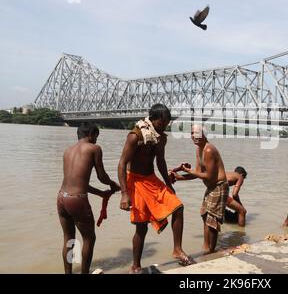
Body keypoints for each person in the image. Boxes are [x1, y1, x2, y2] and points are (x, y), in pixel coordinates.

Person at [117, 104, 194, 273]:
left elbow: (160, 161)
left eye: (166, 123)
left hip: (151, 179)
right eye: (161, 123)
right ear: (152, 119)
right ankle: (136, 266)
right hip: (135, 181)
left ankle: (177, 250)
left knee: (178, 207)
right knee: (141, 225)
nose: (163, 126)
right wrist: (124, 194)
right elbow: (122, 164)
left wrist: (168, 184)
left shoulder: (161, 138)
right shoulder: (135, 136)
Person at [57, 123, 120, 274]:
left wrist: (101, 193)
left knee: (69, 238)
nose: (96, 141)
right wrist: (113, 185)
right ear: (91, 134)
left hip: (62, 198)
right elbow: (102, 176)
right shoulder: (94, 149)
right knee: (89, 239)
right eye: (96, 137)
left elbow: (77, 183)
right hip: (77, 200)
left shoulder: (67, 151)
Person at [171, 124, 229, 254]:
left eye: (196, 133)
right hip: (211, 186)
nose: (193, 136)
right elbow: (197, 173)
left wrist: (188, 170)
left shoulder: (208, 150)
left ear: (203, 134)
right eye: (191, 133)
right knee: (204, 215)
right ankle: (205, 246)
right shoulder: (198, 149)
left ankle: (211, 251)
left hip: (219, 186)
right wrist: (179, 177)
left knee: (212, 220)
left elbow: (209, 175)